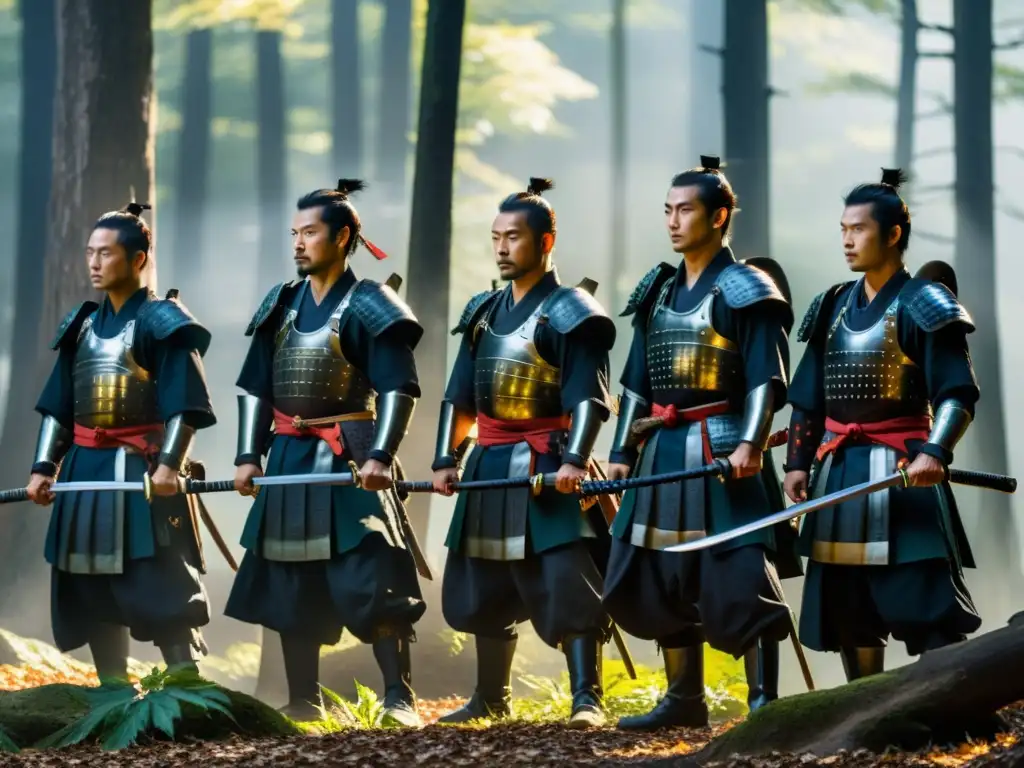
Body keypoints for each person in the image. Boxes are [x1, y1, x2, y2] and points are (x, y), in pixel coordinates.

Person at [602, 156, 801, 730]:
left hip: (723, 449)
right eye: (667, 209)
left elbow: (768, 376)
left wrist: (751, 443)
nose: (672, 221)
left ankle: (764, 702)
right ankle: (684, 700)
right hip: (661, 452)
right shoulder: (658, 288)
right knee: (656, 572)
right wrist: (620, 454)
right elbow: (636, 380)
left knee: (740, 573)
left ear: (719, 217)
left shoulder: (745, 288)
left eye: (685, 209)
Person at [225, 179, 426, 725]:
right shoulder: (281, 304)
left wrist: (382, 456)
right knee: (290, 584)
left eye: (309, 232)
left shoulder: (371, 305)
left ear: (342, 237)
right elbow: (256, 388)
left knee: (371, 575)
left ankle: (399, 699)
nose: (298, 243)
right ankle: (301, 701)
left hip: (352, 459)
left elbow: (396, 388)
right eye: (294, 233)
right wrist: (249, 456)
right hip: (288, 455)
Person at [432, 178, 617, 728]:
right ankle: (490, 697)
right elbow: (460, 396)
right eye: (496, 238)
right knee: (483, 582)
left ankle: (587, 698)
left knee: (567, 579)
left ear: (546, 240)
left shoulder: (572, 311)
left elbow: (590, 398)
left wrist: (575, 461)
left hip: (549, 463)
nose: (502, 248)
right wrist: (447, 458)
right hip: (489, 463)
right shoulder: (484, 311)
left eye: (514, 237)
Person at [783, 168, 981, 681]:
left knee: (925, 604)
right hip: (838, 474)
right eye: (843, 229)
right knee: (848, 611)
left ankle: (944, 710)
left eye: (859, 229)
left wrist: (935, 452)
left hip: (904, 471)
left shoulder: (924, 303)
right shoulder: (831, 304)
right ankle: (860, 717)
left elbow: (957, 393)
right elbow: (808, 397)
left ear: (893, 235)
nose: (847, 240)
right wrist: (797, 464)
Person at [26, 202, 215, 679]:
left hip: (142, 472)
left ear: (138, 260)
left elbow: (185, 404)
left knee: (160, 579)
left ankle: (187, 689)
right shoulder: (82, 325)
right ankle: (113, 690)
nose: (94, 263)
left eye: (105, 254)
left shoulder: (162, 321)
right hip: (84, 471)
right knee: (90, 582)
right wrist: (43, 468)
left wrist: (170, 465)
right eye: (90, 253)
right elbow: (60, 406)